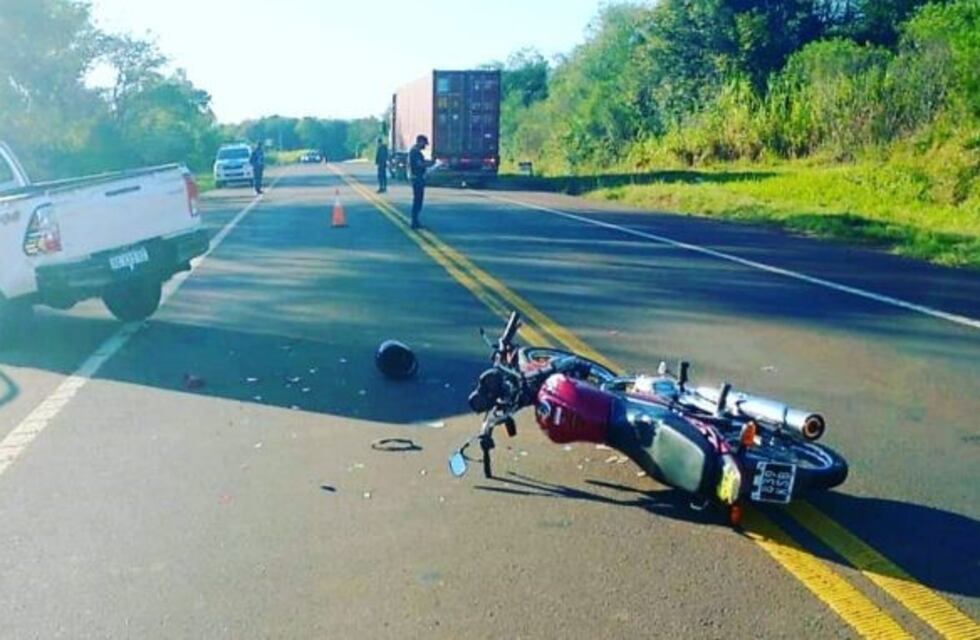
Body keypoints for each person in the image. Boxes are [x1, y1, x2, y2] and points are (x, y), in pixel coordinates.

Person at [408, 134, 428, 229]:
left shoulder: (414, 151)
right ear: (420, 142)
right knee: (417, 200)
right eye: (424, 143)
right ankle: (414, 221)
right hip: (417, 178)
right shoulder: (415, 152)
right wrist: (427, 165)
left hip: (417, 178)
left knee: (418, 200)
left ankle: (415, 220)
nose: (425, 146)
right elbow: (419, 165)